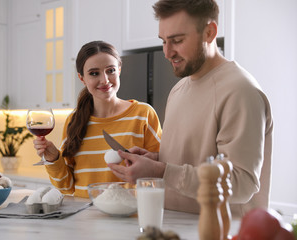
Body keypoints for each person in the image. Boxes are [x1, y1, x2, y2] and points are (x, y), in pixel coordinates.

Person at [108, 0, 273, 217]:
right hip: (173, 226)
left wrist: (161, 171)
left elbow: (242, 184)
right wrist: (155, 160)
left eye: (177, 40)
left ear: (209, 32)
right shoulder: (178, 90)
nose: (167, 53)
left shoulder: (240, 91)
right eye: (164, 41)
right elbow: (193, 161)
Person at [33, 41, 162, 198]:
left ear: (119, 70)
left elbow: (158, 176)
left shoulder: (143, 115)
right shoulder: (74, 121)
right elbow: (66, 187)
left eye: (111, 70)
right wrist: (53, 158)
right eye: (94, 73)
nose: (105, 80)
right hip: (83, 218)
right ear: (82, 78)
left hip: (127, 217)